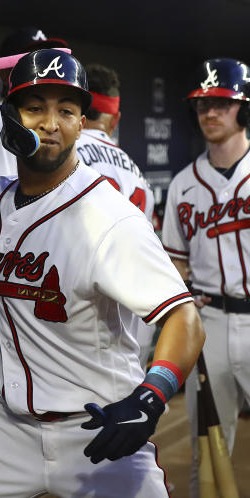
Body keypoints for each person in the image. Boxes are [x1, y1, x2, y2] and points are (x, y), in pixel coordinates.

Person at [0, 49, 205, 497]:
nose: (51, 123)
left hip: (95, 423)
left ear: (81, 123)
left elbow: (183, 317)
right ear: (8, 117)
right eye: (35, 108)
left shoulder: (107, 216)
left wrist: (150, 397)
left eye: (67, 111)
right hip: (1, 428)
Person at [161, 57, 250, 498]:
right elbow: (175, 263)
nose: (210, 113)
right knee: (207, 448)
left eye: (221, 103)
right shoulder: (183, 185)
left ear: (243, 109)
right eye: (202, 105)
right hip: (210, 322)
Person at [76, 63, 157, 369]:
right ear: (115, 119)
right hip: (131, 312)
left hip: (79, 308)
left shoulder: (59, 157)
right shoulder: (136, 173)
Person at [0, 27, 69, 185]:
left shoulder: (30, 122)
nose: (44, 71)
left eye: (47, 61)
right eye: (32, 62)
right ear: (5, 73)